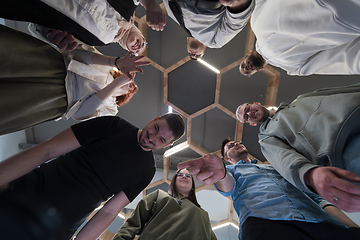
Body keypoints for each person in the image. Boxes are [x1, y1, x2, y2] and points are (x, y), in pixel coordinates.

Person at [0, 111, 185, 240]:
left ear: (167, 146)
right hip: (30, 190)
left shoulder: (147, 171)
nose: (152, 137)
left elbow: (109, 211)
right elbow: (48, 150)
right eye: (156, 128)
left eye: (161, 139)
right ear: (154, 119)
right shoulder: (113, 125)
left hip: (62, 225)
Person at [178, 139, 360, 239]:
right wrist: (221, 174)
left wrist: (352, 226)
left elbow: (317, 199)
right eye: (230, 146)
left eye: (237, 142)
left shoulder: (274, 166)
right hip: (266, 224)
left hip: (322, 222)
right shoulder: (230, 171)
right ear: (226, 157)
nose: (236, 144)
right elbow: (228, 186)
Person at [0, 24, 150, 136]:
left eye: (131, 87)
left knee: (9, 102)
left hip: (57, 99)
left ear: (126, 95)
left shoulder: (111, 109)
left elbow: (81, 114)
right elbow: (78, 54)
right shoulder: (109, 70)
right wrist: (115, 62)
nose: (130, 82)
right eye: (132, 81)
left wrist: (118, 83)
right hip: (55, 65)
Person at [235, 83, 360, 212]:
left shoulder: (300, 99)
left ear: (256, 103)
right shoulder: (266, 137)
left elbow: (337, 91)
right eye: (246, 116)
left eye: (248, 108)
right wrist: (311, 175)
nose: (250, 113)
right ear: (251, 123)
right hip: (344, 151)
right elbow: (285, 160)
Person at [238, 0, 360, 77]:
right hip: (350, 19)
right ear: (261, 70)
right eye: (248, 72)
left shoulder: (255, 21)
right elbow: (340, 60)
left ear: (248, 53)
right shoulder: (293, 68)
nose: (246, 69)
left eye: (243, 66)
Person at [0, 0, 166, 52]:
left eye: (136, 51)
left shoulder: (99, 41)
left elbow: (42, 26)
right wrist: (151, 4)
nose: (138, 47)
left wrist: (51, 35)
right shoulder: (130, 7)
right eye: (142, 43)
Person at [113, 168, 217, 240]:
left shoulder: (204, 215)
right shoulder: (159, 196)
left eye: (188, 176)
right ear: (174, 182)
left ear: (193, 186)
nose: (184, 176)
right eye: (180, 175)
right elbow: (133, 223)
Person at [163, 0, 255, 59]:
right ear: (205, 47)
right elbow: (233, 25)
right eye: (198, 55)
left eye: (190, 54)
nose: (193, 54)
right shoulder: (213, 42)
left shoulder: (175, 17)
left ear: (187, 40)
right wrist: (238, 4)